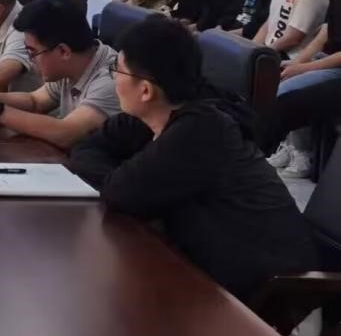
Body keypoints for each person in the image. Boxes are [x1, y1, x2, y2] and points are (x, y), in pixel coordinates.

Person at [67, 17, 318, 305]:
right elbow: (85, 150)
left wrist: (123, 179)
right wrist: (122, 177)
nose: (114, 79)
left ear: (145, 90)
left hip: (269, 292)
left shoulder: (200, 130)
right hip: (207, 272)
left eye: (117, 70)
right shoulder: (147, 117)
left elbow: (120, 192)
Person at [0, 0, 120, 149]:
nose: (31, 60)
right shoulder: (73, 63)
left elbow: (66, 133)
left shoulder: (110, 80)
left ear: (64, 51)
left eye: (33, 52)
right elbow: (35, 101)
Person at [264, 0, 341, 179]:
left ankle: (303, 154)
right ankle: (287, 146)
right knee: (279, 74)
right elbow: (325, 34)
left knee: (288, 90)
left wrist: (306, 68)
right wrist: (299, 63)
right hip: (325, 58)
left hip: (336, 66)